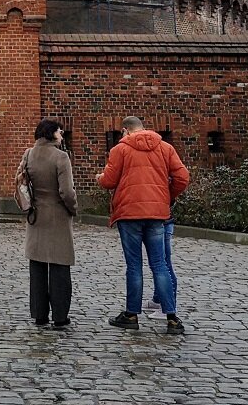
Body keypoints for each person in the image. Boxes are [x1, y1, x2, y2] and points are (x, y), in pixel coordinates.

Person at [96, 116, 189, 335]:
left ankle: (131, 315)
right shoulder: (165, 147)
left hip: (129, 214)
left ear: (126, 131)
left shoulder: (120, 150)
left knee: (134, 265)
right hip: (157, 214)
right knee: (159, 264)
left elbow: (109, 181)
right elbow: (183, 177)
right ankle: (172, 317)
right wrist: (167, 197)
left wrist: (99, 177)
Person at [23, 118, 77, 329]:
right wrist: (73, 208)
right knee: (59, 266)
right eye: (60, 132)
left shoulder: (28, 154)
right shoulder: (60, 157)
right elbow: (67, 191)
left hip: (35, 215)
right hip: (57, 215)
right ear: (52, 134)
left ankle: (39, 314)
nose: (62, 135)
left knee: (37, 266)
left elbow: (22, 182)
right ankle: (60, 316)